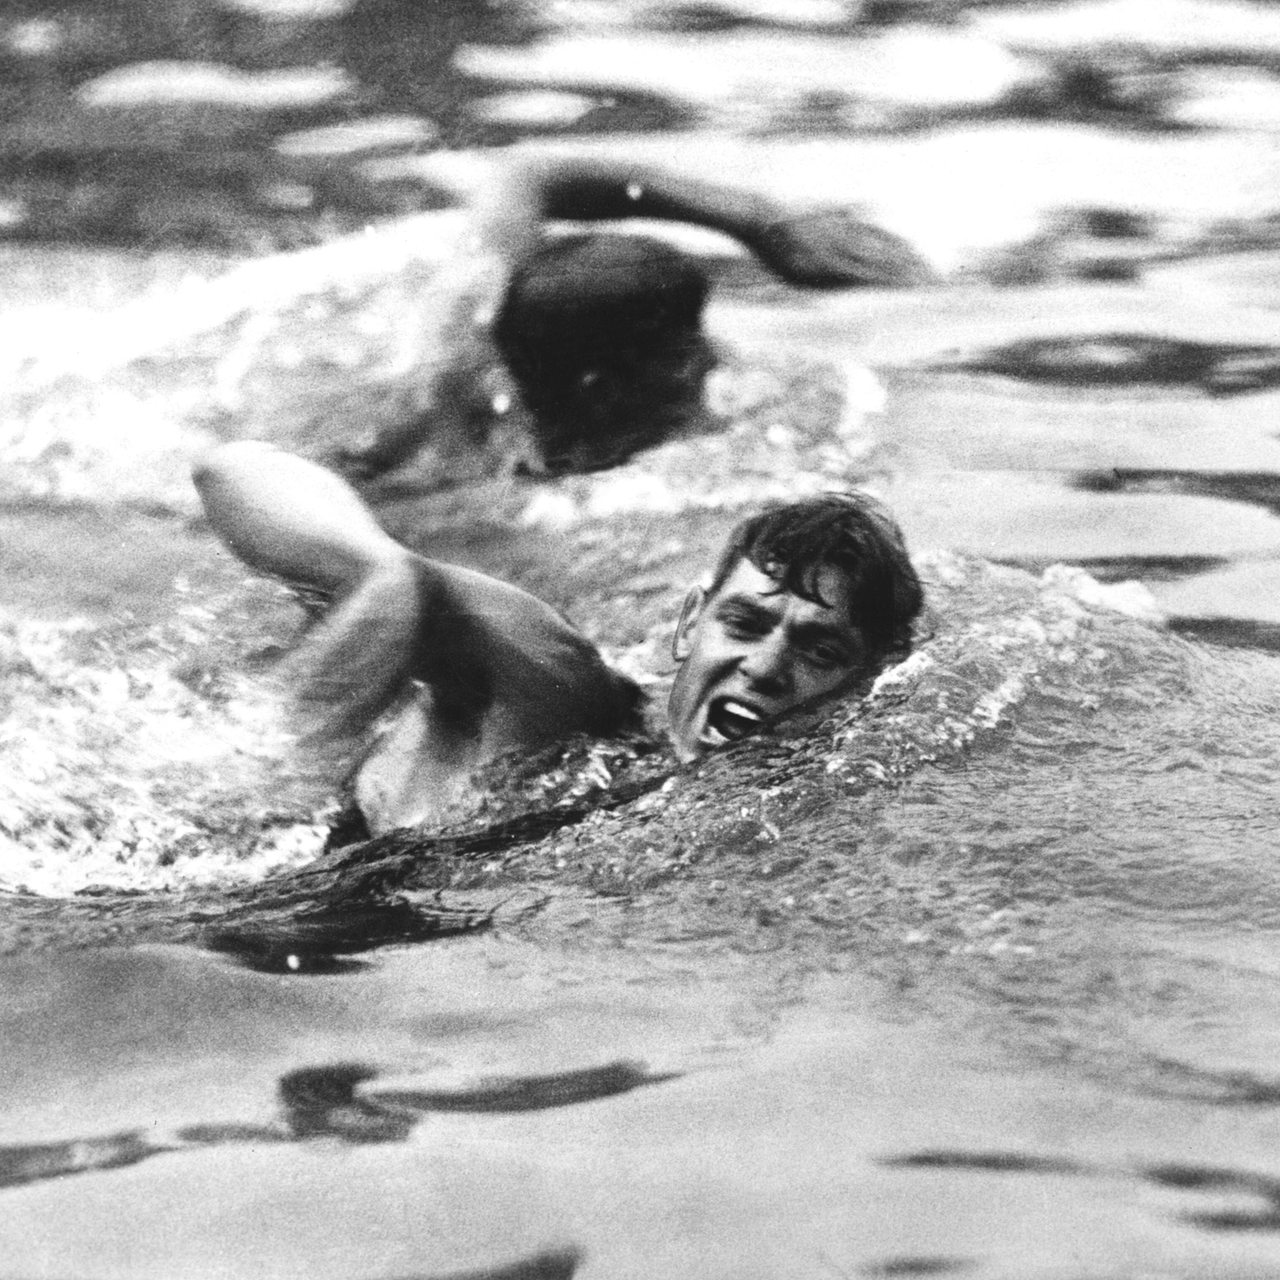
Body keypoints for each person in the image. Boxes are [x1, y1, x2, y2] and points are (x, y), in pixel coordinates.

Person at [192, 443, 924, 836]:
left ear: (867, 687)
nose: (764, 668)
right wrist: (371, 568)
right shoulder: (566, 694)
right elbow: (231, 469)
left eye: (818, 651)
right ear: (687, 625)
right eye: (747, 623)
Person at [323, 150, 933, 478]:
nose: (714, 358)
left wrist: (759, 223)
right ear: (601, 389)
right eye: (680, 353)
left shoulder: (496, 285)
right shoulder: (451, 456)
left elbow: (526, 171)